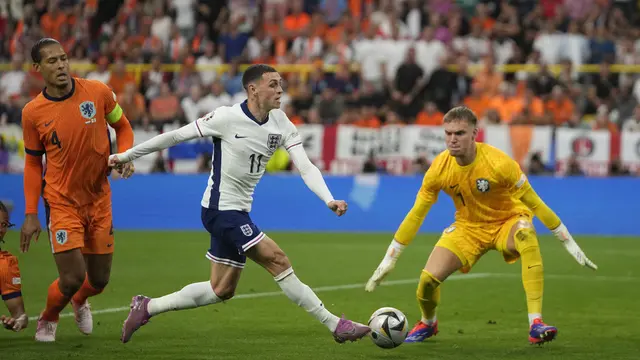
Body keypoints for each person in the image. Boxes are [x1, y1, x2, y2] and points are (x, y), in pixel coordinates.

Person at [110, 64, 371, 344]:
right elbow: (174, 136)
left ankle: (147, 307)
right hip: (221, 210)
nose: (280, 89)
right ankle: (335, 325)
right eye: (273, 84)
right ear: (253, 89)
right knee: (278, 259)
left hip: (237, 211)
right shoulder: (226, 117)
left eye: (280, 83)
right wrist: (126, 155)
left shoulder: (281, 122)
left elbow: (306, 167)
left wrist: (328, 198)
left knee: (221, 289)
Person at [365, 106, 597, 345]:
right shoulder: (439, 169)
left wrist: (566, 239)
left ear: (475, 133)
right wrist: (390, 258)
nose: (452, 139)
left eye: (460, 133)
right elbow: (416, 214)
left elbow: (535, 204)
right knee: (426, 282)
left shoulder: (499, 163)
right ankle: (428, 323)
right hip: (468, 228)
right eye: (448, 133)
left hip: (507, 222)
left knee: (526, 235)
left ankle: (535, 323)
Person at [20, 38, 135, 342]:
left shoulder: (97, 92)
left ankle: (80, 300)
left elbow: (122, 127)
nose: (60, 66)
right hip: (61, 202)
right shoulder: (33, 113)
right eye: (52, 61)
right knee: (72, 277)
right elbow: (33, 165)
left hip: (98, 199)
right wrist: (30, 213)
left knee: (98, 280)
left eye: (63, 59)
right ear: (37, 68)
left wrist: (125, 155)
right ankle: (48, 317)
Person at [0, 200, 28, 332]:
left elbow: (20, 315)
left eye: (4, 225)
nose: (0, 230)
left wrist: (17, 322)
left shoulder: (5, 265)